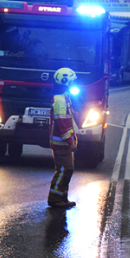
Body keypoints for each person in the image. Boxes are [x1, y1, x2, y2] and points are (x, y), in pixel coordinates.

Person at [48, 67, 78, 208]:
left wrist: (73, 138)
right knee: (63, 170)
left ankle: (62, 197)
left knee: (68, 170)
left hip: (64, 143)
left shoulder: (64, 98)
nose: (74, 84)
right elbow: (61, 123)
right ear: (65, 82)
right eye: (72, 82)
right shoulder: (60, 100)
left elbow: (67, 121)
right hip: (61, 144)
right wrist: (69, 141)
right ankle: (54, 198)